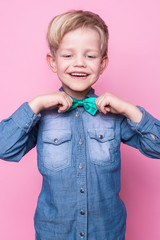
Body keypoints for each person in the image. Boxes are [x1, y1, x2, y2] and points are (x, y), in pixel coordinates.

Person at [0, 10, 160, 240]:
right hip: (54, 234)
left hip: (107, 233)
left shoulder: (114, 115)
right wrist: (34, 105)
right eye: (67, 55)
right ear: (52, 62)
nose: (79, 63)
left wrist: (130, 110)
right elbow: (4, 148)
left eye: (90, 56)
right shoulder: (41, 116)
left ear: (103, 63)